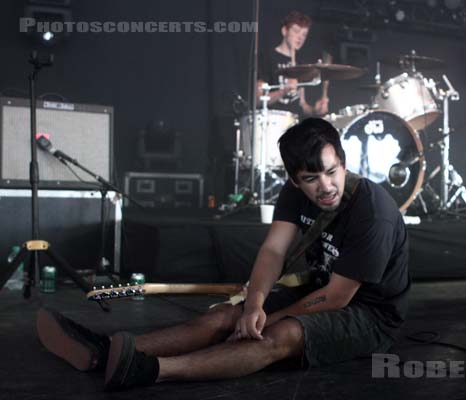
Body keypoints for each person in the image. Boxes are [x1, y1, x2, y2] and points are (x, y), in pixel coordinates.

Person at [36, 118, 410, 391]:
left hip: (369, 313)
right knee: (229, 315)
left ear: (343, 162)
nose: (325, 186)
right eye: (311, 179)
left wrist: (265, 317)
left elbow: (339, 297)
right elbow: (272, 251)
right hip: (321, 288)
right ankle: (103, 351)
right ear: (295, 179)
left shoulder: (372, 210)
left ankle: (152, 370)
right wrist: (252, 306)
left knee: (280, 333)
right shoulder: (294, 192)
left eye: (332, 172)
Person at [257, 10, 329, 116]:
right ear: (284, 31)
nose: (300, 37)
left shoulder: (301, 64)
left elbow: (302, 105)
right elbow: (258, 99)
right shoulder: (267, 58)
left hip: (295, 125)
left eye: (304, 34)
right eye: (296, 31)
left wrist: (315, 111)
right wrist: (284, 91)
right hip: (273, 122)